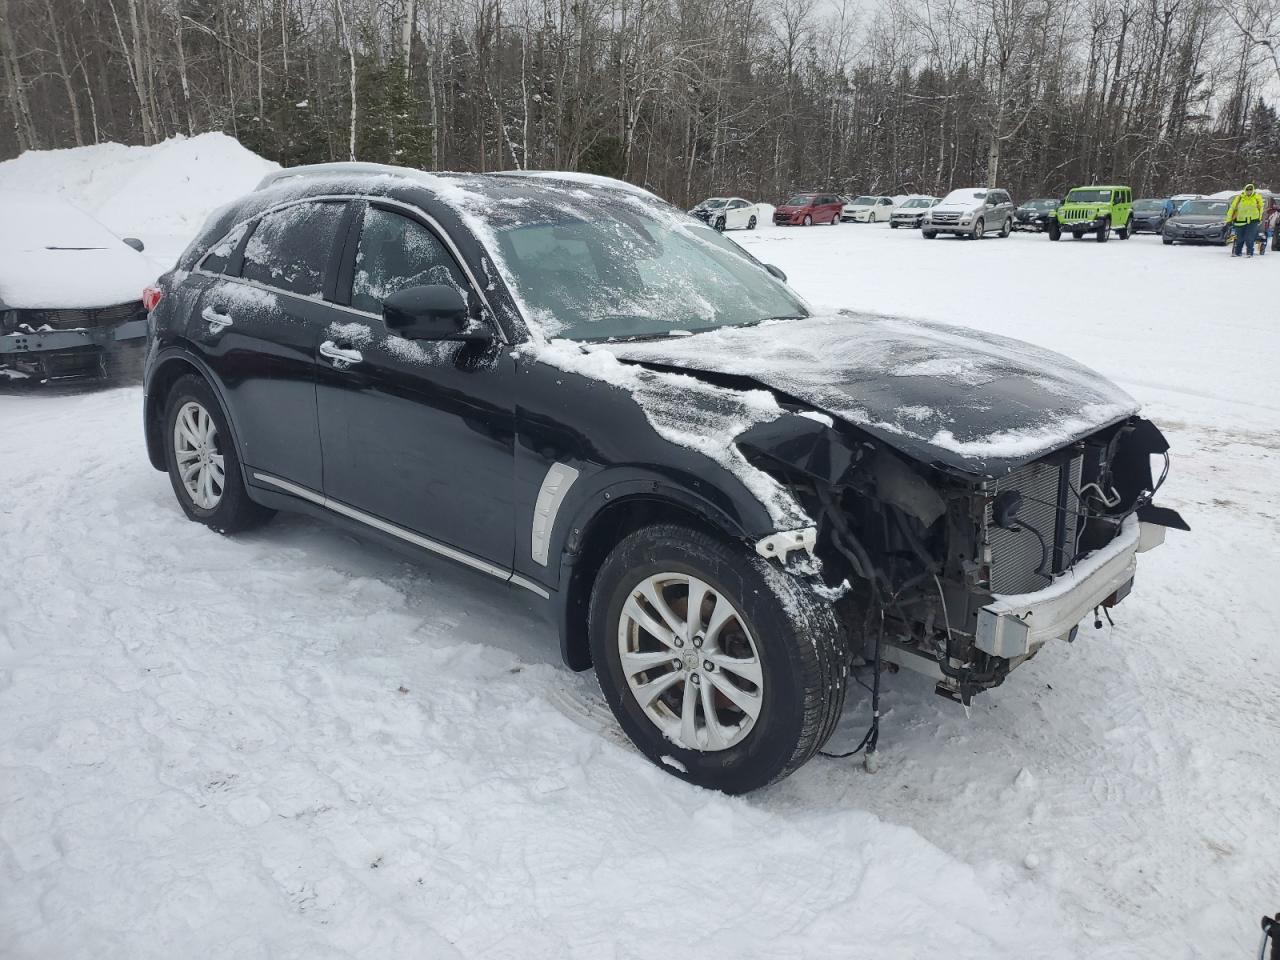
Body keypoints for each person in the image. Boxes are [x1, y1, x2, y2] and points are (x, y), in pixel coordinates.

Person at [1225, 183, 1265, 257]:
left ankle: (1249, 252)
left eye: (1250, 189)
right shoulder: (1239, 198)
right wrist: (1228, 220)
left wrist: (1259, 219)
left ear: (1253, 190)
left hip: (1253, 221)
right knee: (1239, 238)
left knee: (1249, 238)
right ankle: (1237, 252)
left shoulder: (1257, 197)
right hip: (1240, 221)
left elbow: (1261, 209)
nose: (1249, 191)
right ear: (1245, 189)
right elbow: (1232, 209)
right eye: (1247, 189)